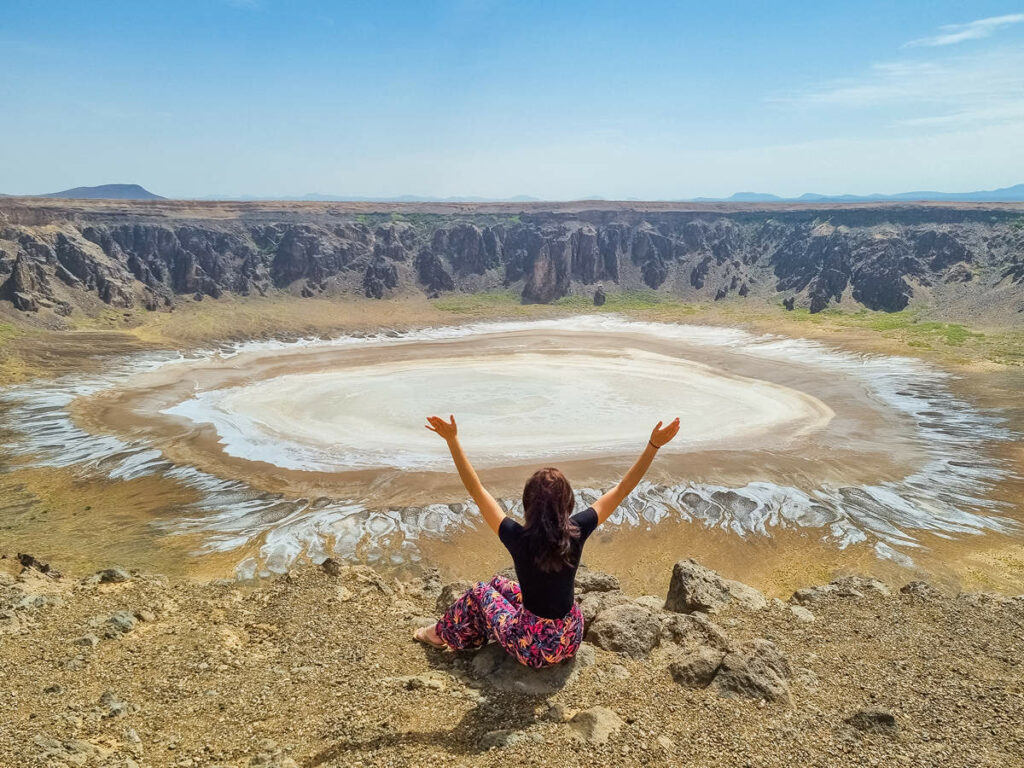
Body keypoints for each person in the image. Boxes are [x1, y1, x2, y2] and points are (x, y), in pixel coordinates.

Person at [413, 414, 681, 668]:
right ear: (567, 502)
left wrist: (452, 440)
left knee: (481, 591)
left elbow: (477, 490)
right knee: (499, 584)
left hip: (533, 648)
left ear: (528, 503)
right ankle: (475, 633)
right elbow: (622, 488)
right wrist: (653, 445)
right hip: (570, 637)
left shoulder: (518, 537)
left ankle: (437, 633)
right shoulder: (576, 530)